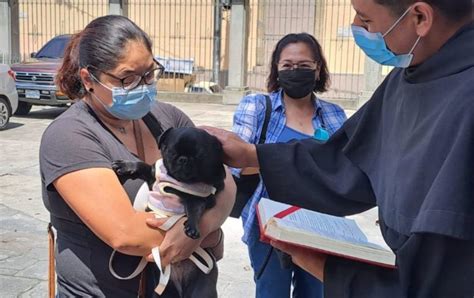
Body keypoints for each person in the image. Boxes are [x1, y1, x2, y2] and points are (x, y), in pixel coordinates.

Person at [203, 0, 474, 296]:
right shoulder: (409, 73)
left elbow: (446, 278)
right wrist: (255, 155)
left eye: (366, 19)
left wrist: (335, 273)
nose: (356, 27)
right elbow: (350, 161)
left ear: (420, 17)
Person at [40, 15, 235, 297]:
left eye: (149, 73)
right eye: (128, 78)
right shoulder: (69, 136)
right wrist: (206, 232)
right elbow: (126, 235)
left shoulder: (167, 118)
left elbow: (224, 180)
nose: (143, 85)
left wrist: (201, 228)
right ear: (88, 78)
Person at [232, 33, 346, 298]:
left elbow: (342, 168)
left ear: (318, 69)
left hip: (320, 226)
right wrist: (291, 161)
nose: (295, 71)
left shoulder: (333, 114)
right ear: (277, 69)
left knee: (315, 294)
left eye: (304, 66)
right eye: (287, 66)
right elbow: (237, 164)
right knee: (272, 293)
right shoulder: (258, 107)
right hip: (270, 227)